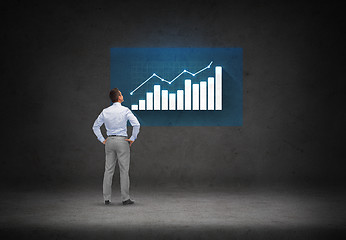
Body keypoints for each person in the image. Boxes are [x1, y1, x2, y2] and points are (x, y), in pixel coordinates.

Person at [92, 88, 140, 205]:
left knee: (108, 170)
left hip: (109, 141)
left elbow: (95, 126)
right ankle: (125, 198)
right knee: (124, 171)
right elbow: (136, 124)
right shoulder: (125, 110)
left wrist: (102, 139)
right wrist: (132, 138)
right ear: (119, 97)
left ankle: (106, 199)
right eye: (121, 94)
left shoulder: (105, 111)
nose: (122, 95)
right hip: (122, 141)